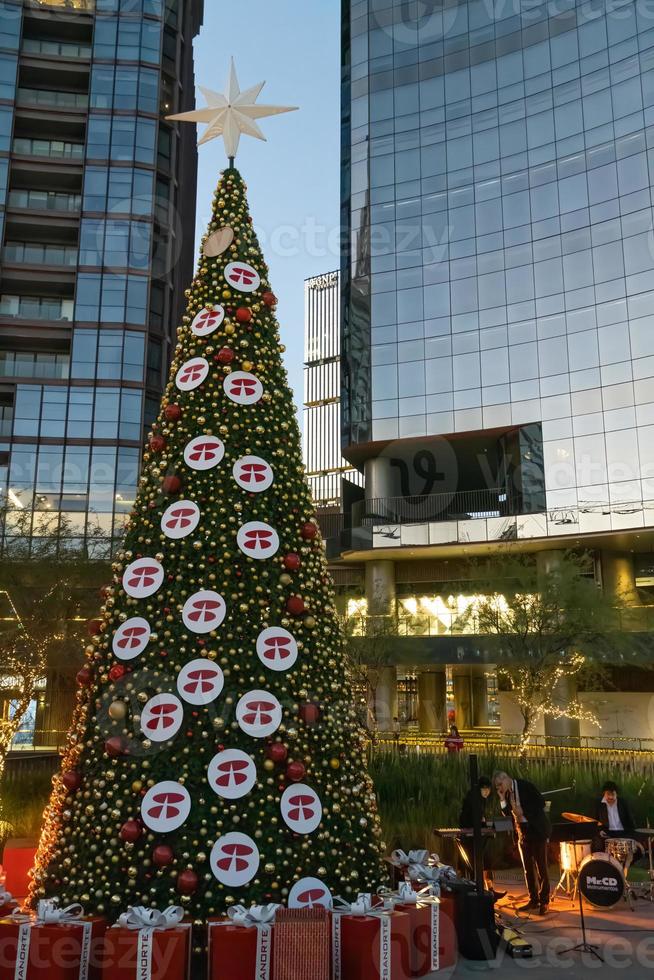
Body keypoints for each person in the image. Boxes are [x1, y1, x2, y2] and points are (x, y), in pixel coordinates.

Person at [494, 770, 551, 915]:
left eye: (500, 784)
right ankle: (534, 899)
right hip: (522, 831)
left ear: (506, 778)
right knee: (527, 868)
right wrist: (502, 799)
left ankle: (544, 901)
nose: (499, 788)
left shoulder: (525, 786)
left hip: (536, 830)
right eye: (497, 787)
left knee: (541, 867)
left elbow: (541, 803)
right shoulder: (506, 793)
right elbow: (506, 813)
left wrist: (523, 811)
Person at [458, 776, 507, 900]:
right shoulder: (474, 799)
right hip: (470, 835)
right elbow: (471, 818)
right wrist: (484, 824)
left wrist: (485, 824)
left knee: (485, 860)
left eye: (488, 789)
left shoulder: (480, 799)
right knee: (477, 861)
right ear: (479, 789)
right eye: (484, 789)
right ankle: (479, 888)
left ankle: (489, 889)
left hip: (476, 834)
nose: (487, 792)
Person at [594, 781, 644, 859]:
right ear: (604, 794)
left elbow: (630, 821)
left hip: (623, 832)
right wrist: (600, 831)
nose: (611, 797)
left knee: (638, 849)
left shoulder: (623, 803)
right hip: (607, 833)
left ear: (616, 794)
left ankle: (625, 866)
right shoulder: (598, 804)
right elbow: (594, 821)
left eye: (613, 794)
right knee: (598, 844)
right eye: (608, 794)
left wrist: (634, 836)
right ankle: (603, 864)